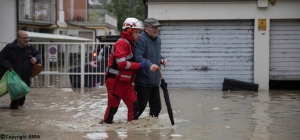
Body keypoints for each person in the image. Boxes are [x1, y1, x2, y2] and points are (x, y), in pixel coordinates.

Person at [102, 17, 158, 124]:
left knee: (135, 107)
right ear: (129, 31)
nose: (139, 35)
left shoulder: (131, 43)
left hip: (126, 82)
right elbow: (122, 63)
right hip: (116, 81)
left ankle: (132, 133)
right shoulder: (122, 43)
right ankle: (108, 132)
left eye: (139, 32)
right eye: (137, 32)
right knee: (113, 108)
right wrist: (139, 65)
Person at [134, 18, 167, 119]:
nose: (156, 30)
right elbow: (138, 56)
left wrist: (161, 59)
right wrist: (149, 65)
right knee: (140, 108)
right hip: (143, 81)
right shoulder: (141, 39)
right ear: (146, 28)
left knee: (156, 108)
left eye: (157, 27)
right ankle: (132, 129)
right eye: (153, 27)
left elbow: (156, 55)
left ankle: (152, 131)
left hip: (155, 81)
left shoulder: (158, 39)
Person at [0, 30, 41, 109]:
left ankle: (20, 111)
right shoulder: (10, 47)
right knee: (16, 93)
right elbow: (1, 57)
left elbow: (38, 54)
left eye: (27, 38)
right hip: (14, 75)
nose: (26, 40)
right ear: (18, 38)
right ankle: (14, 111)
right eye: (24, 38)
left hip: (26, 74)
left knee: (23, 94)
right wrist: (8, 66)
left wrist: (36, 59)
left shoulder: (29, 46)